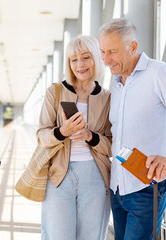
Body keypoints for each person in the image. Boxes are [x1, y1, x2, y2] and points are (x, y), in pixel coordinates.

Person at [98, 18, 166, 240]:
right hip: (118, 188)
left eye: (113, 52)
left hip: (147, 188)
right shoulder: (116, 83)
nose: (106, 60)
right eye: (102, 52)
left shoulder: (160, 74)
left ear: (133, 47)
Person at [37, 35, 112, 240]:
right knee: (58, 235)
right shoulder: (55, 91)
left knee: (92, 236)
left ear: (96, 58)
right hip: (60, 174)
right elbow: (41, 135)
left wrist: (90, 136)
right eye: (73, 59)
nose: (79, 64)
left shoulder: (107, 97)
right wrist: (63, 132)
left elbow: (113, 144)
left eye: (85, 57)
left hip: (95, 176)